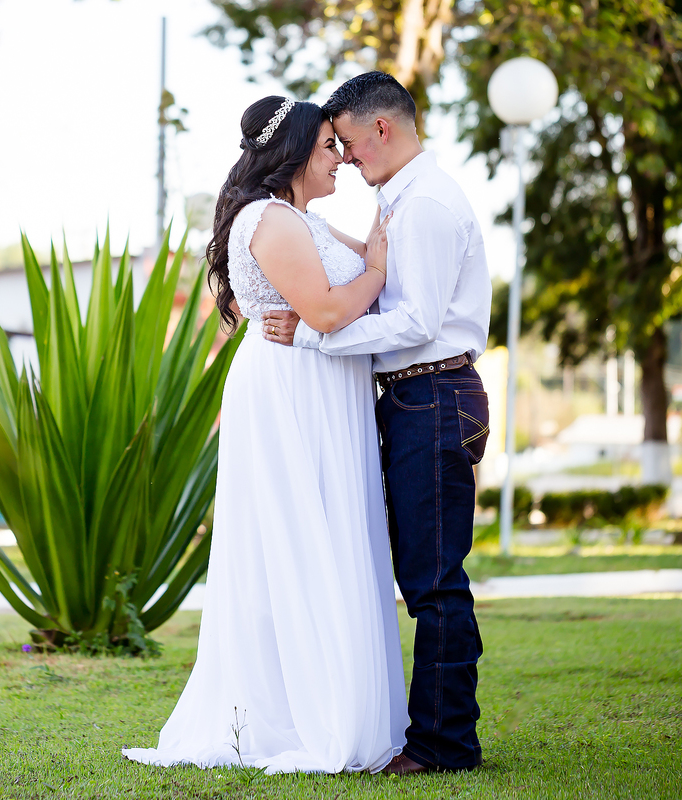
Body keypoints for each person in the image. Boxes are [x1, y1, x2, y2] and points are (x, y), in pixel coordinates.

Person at [122, 94, 408, 775]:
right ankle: (302, 714)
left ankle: (332, 699)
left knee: (330, 534)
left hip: (320, 387)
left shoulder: (302, 219)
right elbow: (332, 310)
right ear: (295, 154)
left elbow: (362, 264)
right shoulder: (273, 221)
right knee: (301, 537)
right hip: (292, 393)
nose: (339, 159)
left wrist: (373, 258)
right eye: (327, 149)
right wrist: (374, 269)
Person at [262, 71, 492, 775]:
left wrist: (314, 334)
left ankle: (443, 746)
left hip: (432, 393)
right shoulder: (403, 199)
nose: (349, 159)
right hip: (417, 397)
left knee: (433, 579)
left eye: (350, 142)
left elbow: (418, 321)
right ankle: (434, 735)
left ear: (382, 129)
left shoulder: (422, 206)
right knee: (423, 573)